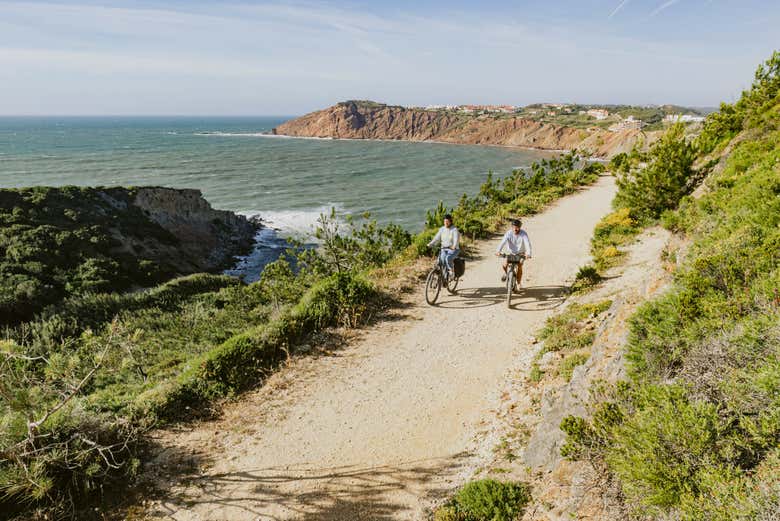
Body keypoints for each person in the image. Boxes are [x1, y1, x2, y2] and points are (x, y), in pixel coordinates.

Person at [495, 218, 532, 285]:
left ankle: (518, 283)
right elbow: (502, 242)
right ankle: (507, 274)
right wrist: (498, 251)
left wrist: (528, 254)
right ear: (511, 227)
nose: (515, 229)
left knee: (520, 266)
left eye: (517, 227)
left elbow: (527, 244)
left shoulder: (523, 234)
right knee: (504, 265)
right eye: (514, 227)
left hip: (521, 253)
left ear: (520, 227)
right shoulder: (508, 233)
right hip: (511, 253)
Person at [427, 214, 460, 278]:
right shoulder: (442, 229)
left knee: (448, 258)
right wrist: (431, 244)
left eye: (447, 222)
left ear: (450, 221)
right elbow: (436, 238)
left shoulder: (454, 229)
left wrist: (454, 246)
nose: (446, 223)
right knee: (441, 261)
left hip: (453, 249)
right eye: (444, 221)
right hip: (444, 248)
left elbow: (456, 239)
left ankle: (451, 271)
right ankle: (444, 277)